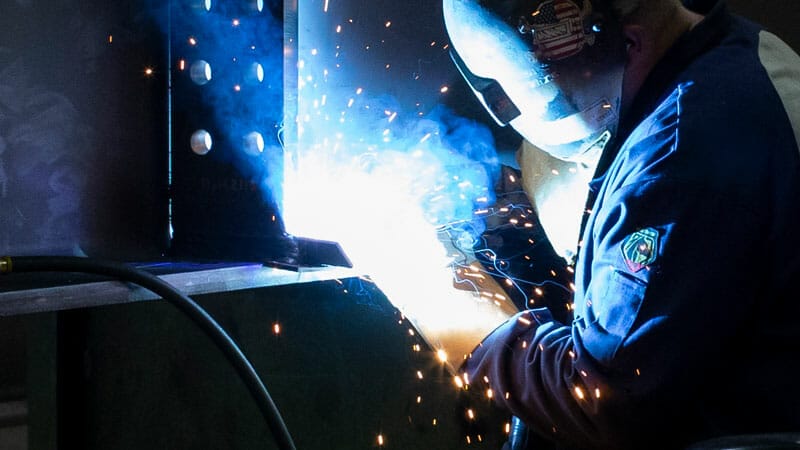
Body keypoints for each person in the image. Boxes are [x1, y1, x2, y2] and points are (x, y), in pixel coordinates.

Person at [442, 0, 800, 448]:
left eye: (535, 89)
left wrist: (456, 310)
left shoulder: (680, 156)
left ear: (627, 41)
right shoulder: (738, 57)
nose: (509, 110)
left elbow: (602, 404)